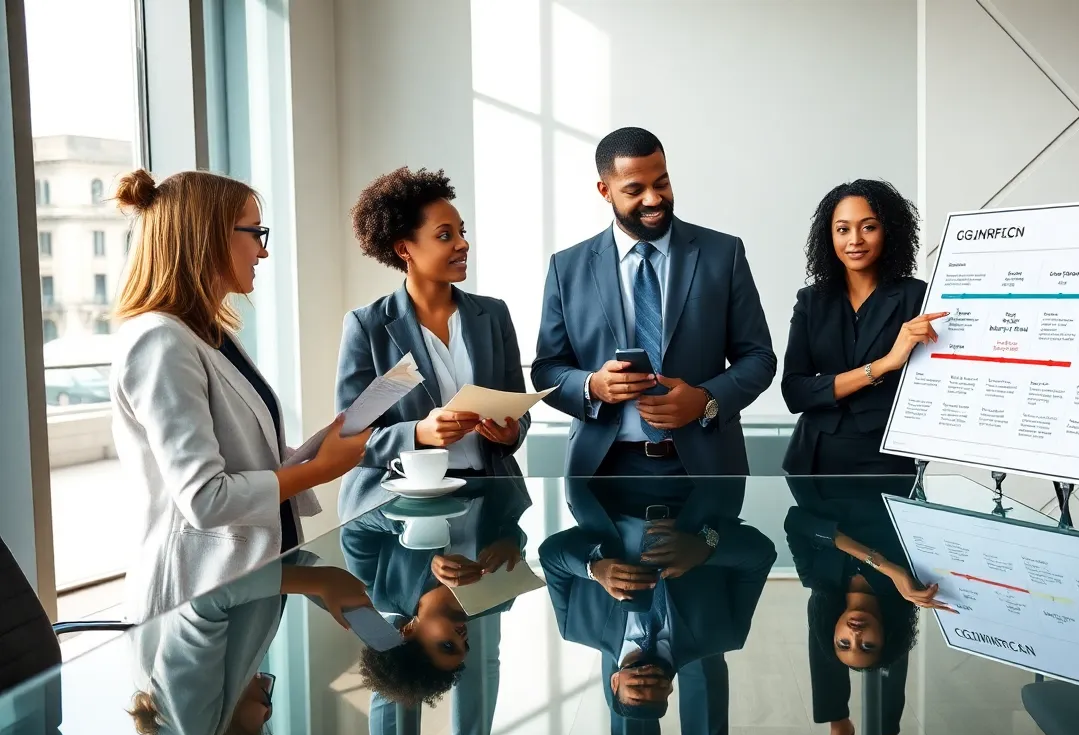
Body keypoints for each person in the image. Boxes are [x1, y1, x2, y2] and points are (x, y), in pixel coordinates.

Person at [110, 169, 371, 622]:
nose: (263, 250)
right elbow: (206, 499)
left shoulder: (209, 334)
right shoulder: (159, 342)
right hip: (191, 598)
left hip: (244, 583)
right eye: (255, 233)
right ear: (208, 236)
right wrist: (320, 471)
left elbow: (246, 460)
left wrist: (317, 448)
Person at [532, 127, 776, 477]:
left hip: (707, 466)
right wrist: (592, 386)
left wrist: (705, 400)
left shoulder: (723, 254)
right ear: (605, 190)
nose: (653, 199)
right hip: (602, 470)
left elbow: (759, 357)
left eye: (661, 183)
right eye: (635, 189)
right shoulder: (566, 267)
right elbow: (547, 369)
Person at [539, 476, 775, 735]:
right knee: (697, 675)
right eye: (657, 687)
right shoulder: (723, 634)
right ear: (669, 689)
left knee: (639, 717)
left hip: (615, 486)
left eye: (638, 685)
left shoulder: (578, 626)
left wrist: (592, 567)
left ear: (614, 682)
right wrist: (706, 547)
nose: (648, 678)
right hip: (693, 490)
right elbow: (760, 554)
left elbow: (550, 555)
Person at [337, 168, 529, 522]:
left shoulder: (493, 314)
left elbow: (518, 408)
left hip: (491, 500)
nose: (463, 243)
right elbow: (351, 439)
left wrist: (511, 431)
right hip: (402, 508)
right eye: (445, 235)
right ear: (404, 249)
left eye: (462, 232)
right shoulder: (369, 327)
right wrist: (418, 433)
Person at [341, 478, 532, 735]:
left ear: (407, 630)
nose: (462, 636)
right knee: (428, 679)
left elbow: (354, 524)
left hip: (419, 476)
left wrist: (415, 528)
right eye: (463, 644)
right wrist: (512, 542)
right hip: (483, 476)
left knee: (398, 680)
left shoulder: (375, 584)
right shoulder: (495, 595)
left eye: (447, 644)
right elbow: (511, 529)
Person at [781, 179, 948, 476]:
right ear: (829, 237)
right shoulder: (811, 301)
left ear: (889, 231)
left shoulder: (917, 297)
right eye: (843, 229)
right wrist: (883, 365)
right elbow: (794, 392)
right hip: (813, 459)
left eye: (869, 227)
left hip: (886, 457)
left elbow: (933, 388)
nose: (854, 239)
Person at [786, 478, 955, 735]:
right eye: (866, 644)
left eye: (846, 642)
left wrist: (886, 567)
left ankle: (847, 728)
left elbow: (796, 521)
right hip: (887, 476)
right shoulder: (906, 585)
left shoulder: (818, 578)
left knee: (820, 610)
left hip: (824, 472)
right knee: (897, 621)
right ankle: (877, 733)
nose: (855, 633)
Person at [129, 556, 373, 735]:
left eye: (266, 701)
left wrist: (318, 581)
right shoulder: (236, 655)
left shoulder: (186, 733)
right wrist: (368, 620)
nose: (262, 680)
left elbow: (203, 595)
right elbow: (286, 563)